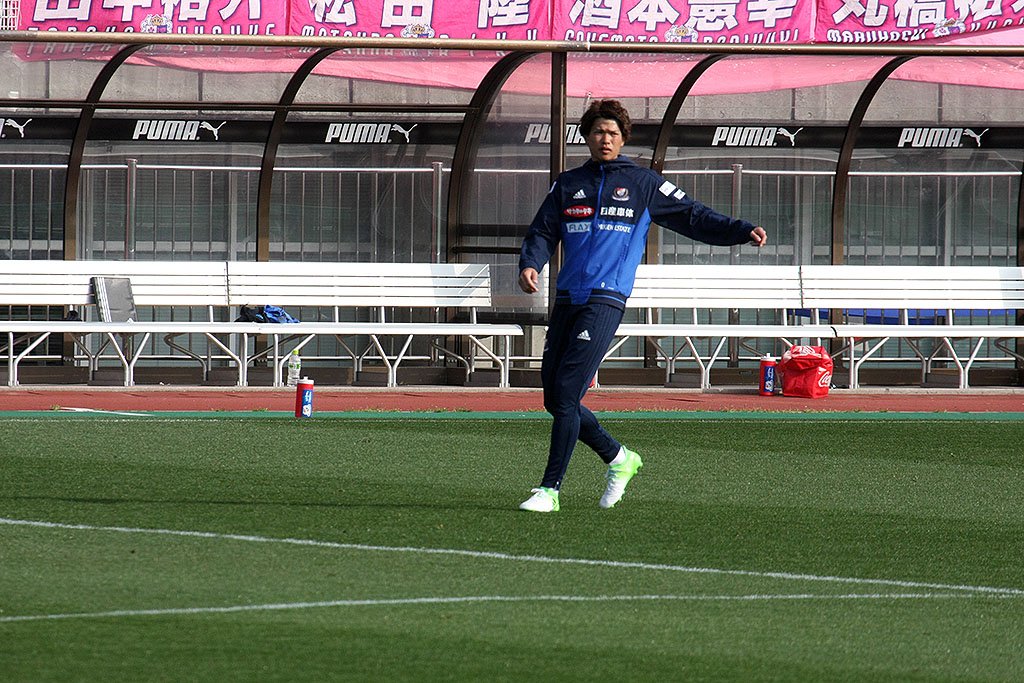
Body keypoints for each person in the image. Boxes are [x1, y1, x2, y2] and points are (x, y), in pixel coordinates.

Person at [517, 99, 768, 513]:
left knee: (566, 394)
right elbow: (543, 231)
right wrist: (531, 264)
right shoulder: (568, 183)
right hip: (566, 297)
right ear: (587, 136)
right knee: (555, 399)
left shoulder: (643, 183)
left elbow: (693, 216)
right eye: (599, 132)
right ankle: (619, 458)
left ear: (623, 139)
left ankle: (550, 490)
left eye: (613, 133)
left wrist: (740, 230)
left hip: (606, 298)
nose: (605, 139)